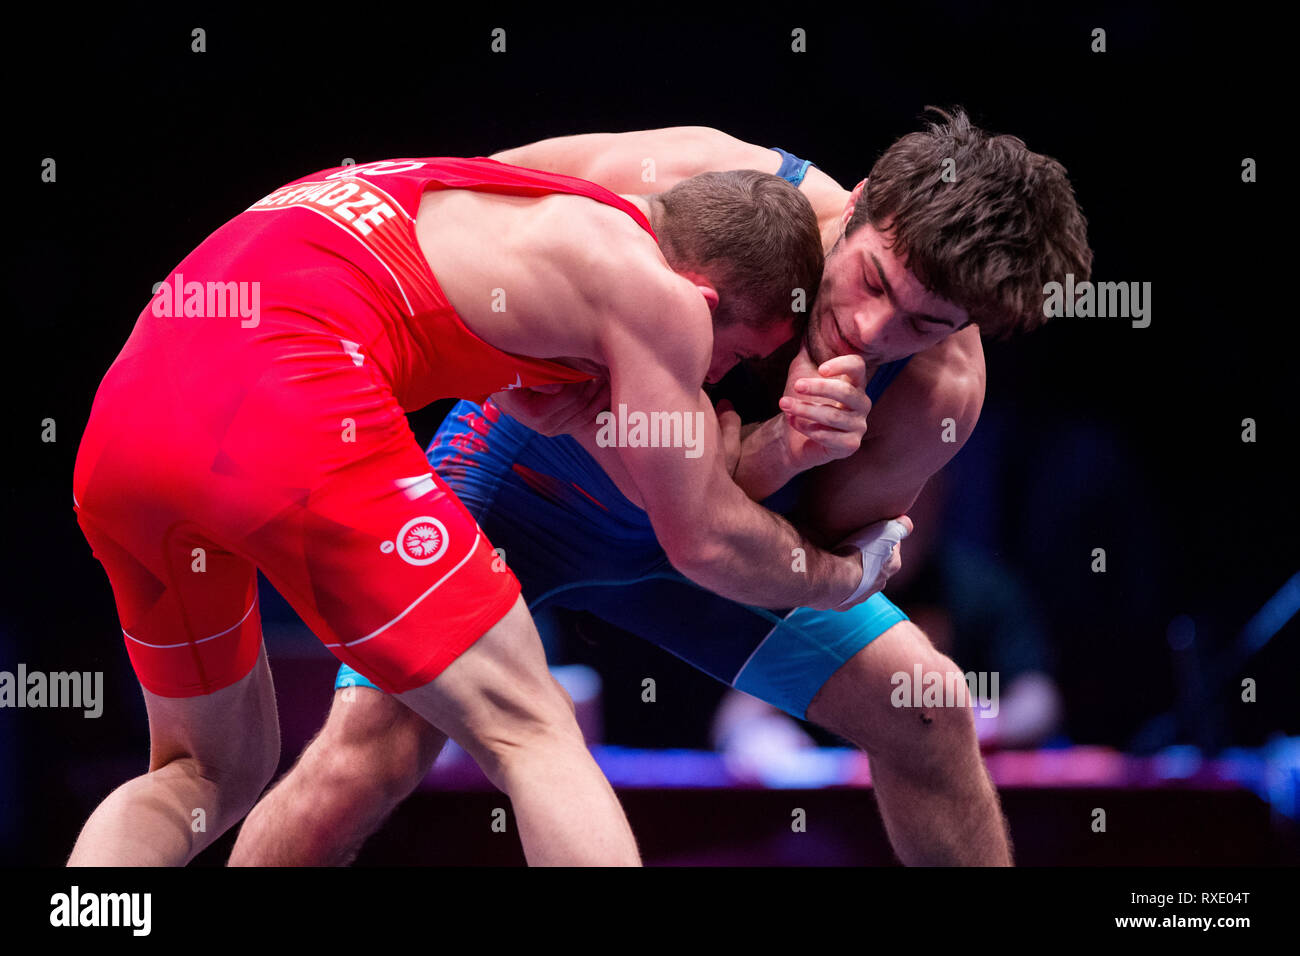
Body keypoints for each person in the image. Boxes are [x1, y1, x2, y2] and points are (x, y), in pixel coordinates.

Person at [230, 109, 1093, 866]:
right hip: (522, 482)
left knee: (930, 711)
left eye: (922, 323)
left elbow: (786, 554)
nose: (869, 330)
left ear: (968, 325)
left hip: (710, 546)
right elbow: (458, 219)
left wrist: (797, 459)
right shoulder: (698, 176)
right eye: (872, 280)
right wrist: (517, 366)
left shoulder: (937, 397)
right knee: (368, 755)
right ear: (866, 198)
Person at [69, 155, 894, 866]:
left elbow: (659, 469)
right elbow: (702, 538)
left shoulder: (531, 211)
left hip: (124, 428)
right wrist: (846, 574)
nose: (713, 380)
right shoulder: (660, 299)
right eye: (738, 357)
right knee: (533, 731)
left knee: (202, 774)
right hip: (286, 393)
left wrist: (782, 450)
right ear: (705, 298)